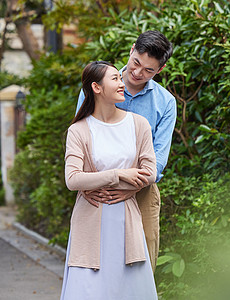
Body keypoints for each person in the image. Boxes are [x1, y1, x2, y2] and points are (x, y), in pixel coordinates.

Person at [75, 30, 176, 272]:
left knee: (142, 262)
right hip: (96, 190)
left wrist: (133, 186)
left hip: (142, 191)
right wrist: (86, 184)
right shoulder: (97, 86)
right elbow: (80, 139)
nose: (138, 73)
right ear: (132, 51)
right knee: (96, 262)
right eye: (136, 63)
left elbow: (159, 159)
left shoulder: (165, 102)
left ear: (159, 71)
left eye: (149, 71)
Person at [61, 61, 158, 299]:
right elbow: (73, 179)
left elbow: (150, 172)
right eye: (115, 79)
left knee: (128, 288)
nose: (122, 83)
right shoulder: (78, 130)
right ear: (96, 87)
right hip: (89, 224)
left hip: (126, 221)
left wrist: (122, 189)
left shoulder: (138, 125)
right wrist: (119, 175)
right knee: (88, 290)